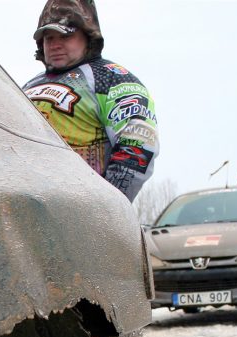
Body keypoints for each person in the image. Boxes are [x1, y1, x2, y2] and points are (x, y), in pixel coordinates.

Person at [22, 0, 158, 202]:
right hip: (27, 205)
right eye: (49, 38)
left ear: (87, 36)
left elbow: (138, 144)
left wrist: (109, 204)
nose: (55, 45)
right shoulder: (28, 86)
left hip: (84, 208)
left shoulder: (113, 79)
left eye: (65, 36)